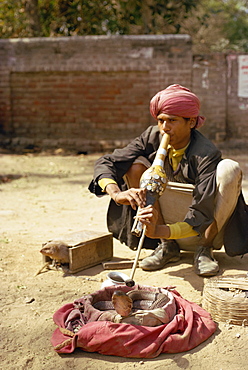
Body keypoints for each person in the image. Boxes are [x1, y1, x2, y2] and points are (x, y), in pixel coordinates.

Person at [88, 84, 246, 277]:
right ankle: (167, 248)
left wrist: (160, 231)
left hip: (200, 226)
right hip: (164, 225)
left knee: (229, 169)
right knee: (136, 166)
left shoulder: (206, 153)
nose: (164, 128)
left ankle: (204, 251)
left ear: (191, 122)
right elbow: (108, 161)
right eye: (161, 120)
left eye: (172, 120)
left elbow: (202, 209)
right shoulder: (151, 136)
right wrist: (116, 194)